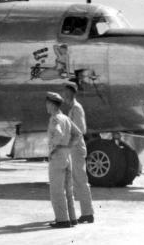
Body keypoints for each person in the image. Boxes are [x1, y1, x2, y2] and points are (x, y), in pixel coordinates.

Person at [62, 81, 94, 223]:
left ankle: (88, 213)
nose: (63, 95)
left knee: (81, 180)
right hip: (74, 147)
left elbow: (81, 130)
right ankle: (86, 212)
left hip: (76, 147)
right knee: (77, 180)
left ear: (70, 92)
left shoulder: (76, 108)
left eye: (65, 92)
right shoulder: (72, 109)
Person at [45, 91, 77, 229]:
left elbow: (58, 133)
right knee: (68, 189)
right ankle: (72, 218)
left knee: (56, 190)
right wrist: (68, 147)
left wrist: (52, 149)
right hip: (67, 155)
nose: (46, 106)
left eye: (47, 103)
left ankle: (62, 220)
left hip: (57, 155)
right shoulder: (65, 118)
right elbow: (78, 134)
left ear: (52, 105)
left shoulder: (55, 119)